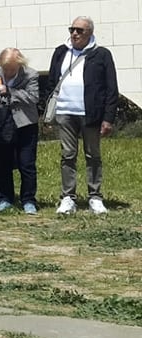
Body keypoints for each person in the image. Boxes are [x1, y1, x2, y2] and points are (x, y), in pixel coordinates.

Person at [49, 16, 119, 215]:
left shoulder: (102, 54)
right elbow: (52, 81)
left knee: (93, 156)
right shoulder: (60, 52)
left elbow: (111, 88)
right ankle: (68, 197)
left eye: (80, 30)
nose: (74, 33)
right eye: (72, 29)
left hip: (91, 114)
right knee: (67, 155)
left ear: (89, 33)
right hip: (64, 112)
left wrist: (108, 118)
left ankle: (95, 197)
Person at [0, 48, 39, 214]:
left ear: (19, 64)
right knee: (2, 163)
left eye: (11, 68)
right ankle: (6, 198)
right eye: (5, 68)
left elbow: (33, 97)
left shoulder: (30, 74)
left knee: (26, 164)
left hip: (24, 124)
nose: (8, 71)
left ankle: (28, 200)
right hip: (0, 124)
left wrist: (11, 92)